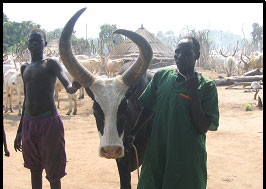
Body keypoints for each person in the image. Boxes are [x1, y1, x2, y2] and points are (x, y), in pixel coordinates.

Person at [134, 36, 219, 188]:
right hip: (158, 150)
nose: (180, 57)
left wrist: (193, 91)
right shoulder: (161, 77)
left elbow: (202, 127)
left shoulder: (207, 87)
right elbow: (147, 108)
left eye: (186, 54)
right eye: (177, 52)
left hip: (186, 155)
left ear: (197, 56)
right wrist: (133, 133)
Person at [13, 28, 81, 189]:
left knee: (54, 171)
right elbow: (27, 100)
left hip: (49, 122)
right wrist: (19, 131)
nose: (34, 43)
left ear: (45, 43)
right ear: (28, 44)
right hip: (29, 122)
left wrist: (75, 86)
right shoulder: (25, 68)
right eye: (31, 40)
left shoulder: (51, 64)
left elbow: (68, 86)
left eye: (38, 40)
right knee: (34, 169)